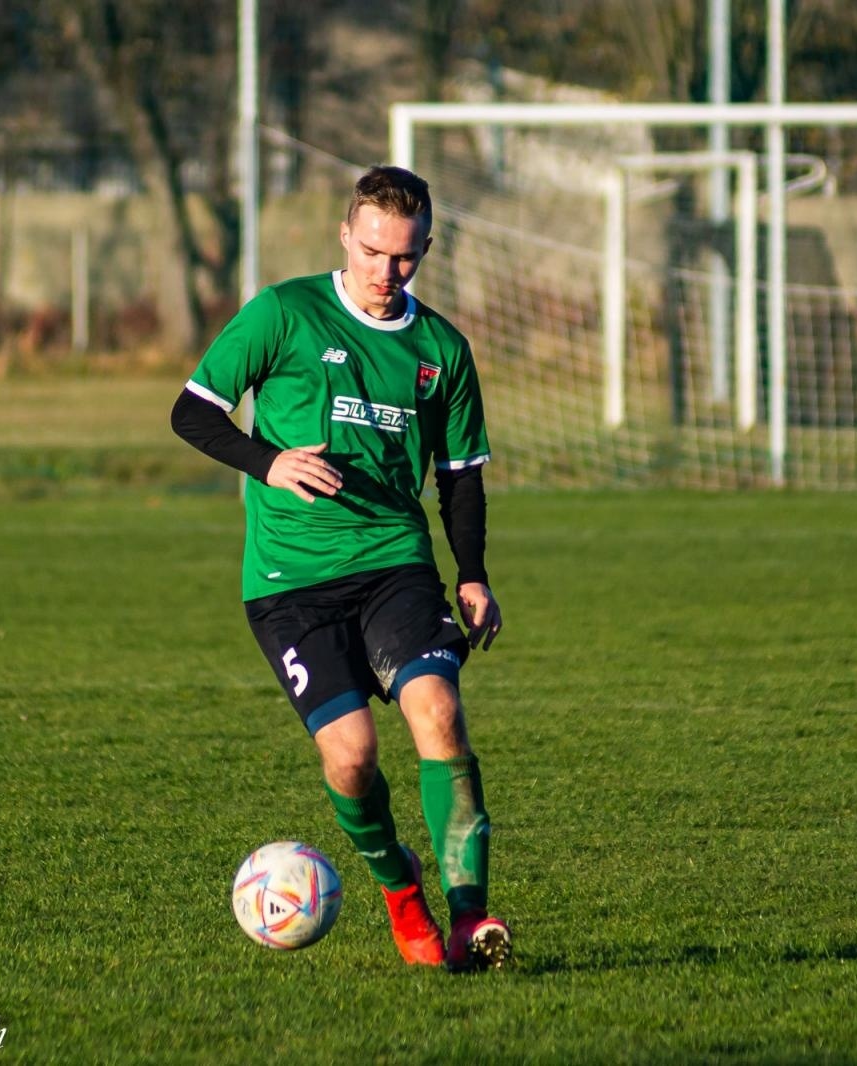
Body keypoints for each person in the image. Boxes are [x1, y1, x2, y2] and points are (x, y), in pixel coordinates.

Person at [170, 165, 510, 972]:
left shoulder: (440, 350)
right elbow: (192, 411)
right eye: (373, 251)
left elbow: (460, 474)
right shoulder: (284, 314)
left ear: (426, 247)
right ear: (345, 235)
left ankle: (471, 918)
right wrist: (268, 462)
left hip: (395, 563)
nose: (387, 273)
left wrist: (472, 574)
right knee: (352, 756)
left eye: (406, 257)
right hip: (290, 584)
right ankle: (400, 888)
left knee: (438, 712)